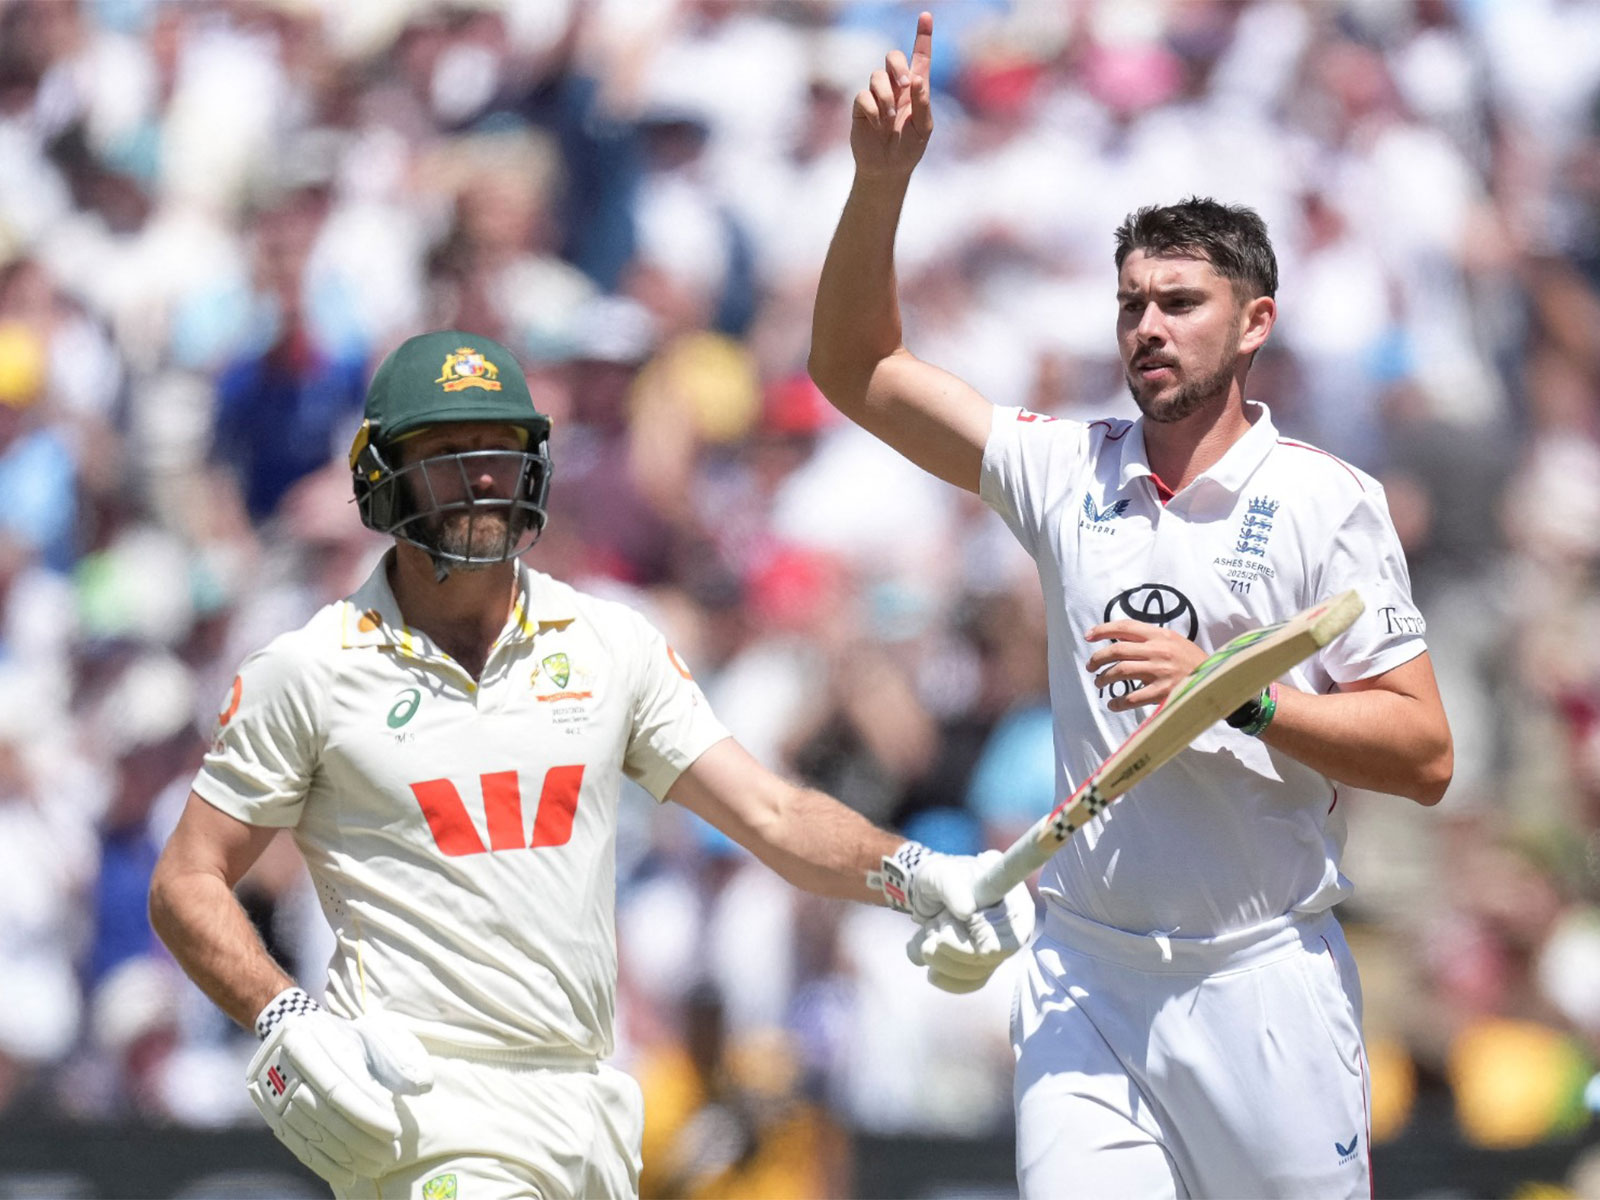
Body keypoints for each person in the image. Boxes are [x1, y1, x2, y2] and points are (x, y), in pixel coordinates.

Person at [147, 329, 1036, 1199]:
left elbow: (768, 814)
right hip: (425, 1105)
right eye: (450, 450)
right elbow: (188, 881)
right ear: (382, 475)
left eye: (501, 447)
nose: (484, 473)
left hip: (588, 1105)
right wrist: (285, 1013)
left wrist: (916, 872)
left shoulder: (609, 644)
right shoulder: (310, 671)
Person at [808, 14, 1453, 1199]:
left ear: (1254, 322)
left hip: (1261, 978)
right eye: (1131, 304)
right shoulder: (1065, 469)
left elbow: (1421, 755)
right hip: (1084, 979)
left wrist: (1239, 704)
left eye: (1180, 302)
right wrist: (880, 178)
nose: (1147, 326)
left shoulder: (1326, 499)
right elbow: (856, 371)